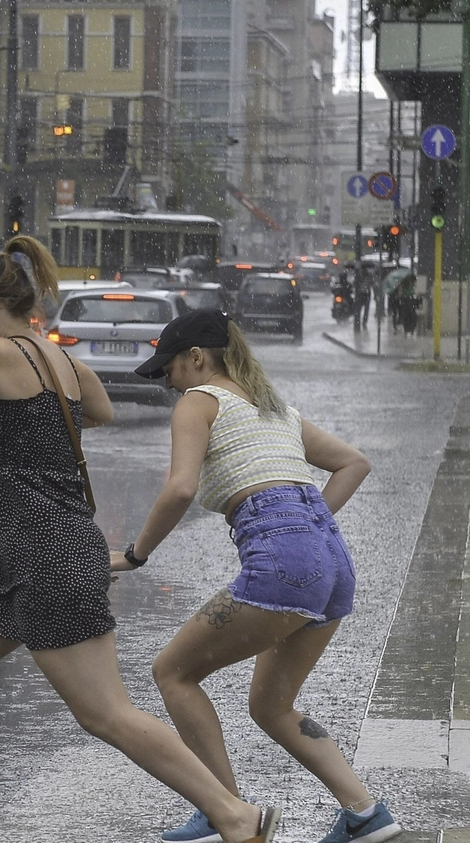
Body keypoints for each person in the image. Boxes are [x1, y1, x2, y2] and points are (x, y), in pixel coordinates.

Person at [0, 236, 278, 843]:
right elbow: (101, 408)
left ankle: (235, 815)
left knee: (105, 713)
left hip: (44, 556)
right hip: (28, 556)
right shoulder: (51, 357)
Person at [114, 308, 402, 843]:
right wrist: (306, 527)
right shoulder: (275, 409)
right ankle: (365, 813)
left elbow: (179, 489)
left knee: (172, 673)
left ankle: (226, 813)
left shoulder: (198, 403)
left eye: (169, 370)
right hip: (334, 564)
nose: (168, 384)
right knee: (272, 705)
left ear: (196, 358)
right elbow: (353, 463)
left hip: (285, 563)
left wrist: (134, 556)